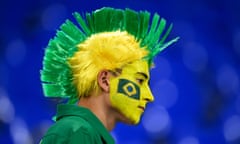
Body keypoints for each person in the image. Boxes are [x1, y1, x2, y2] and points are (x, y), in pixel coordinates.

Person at [40, 7, 179, 144]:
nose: (150, 96)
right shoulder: (78, 132)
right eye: (139, 81)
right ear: (105, 80)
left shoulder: (84, 133)